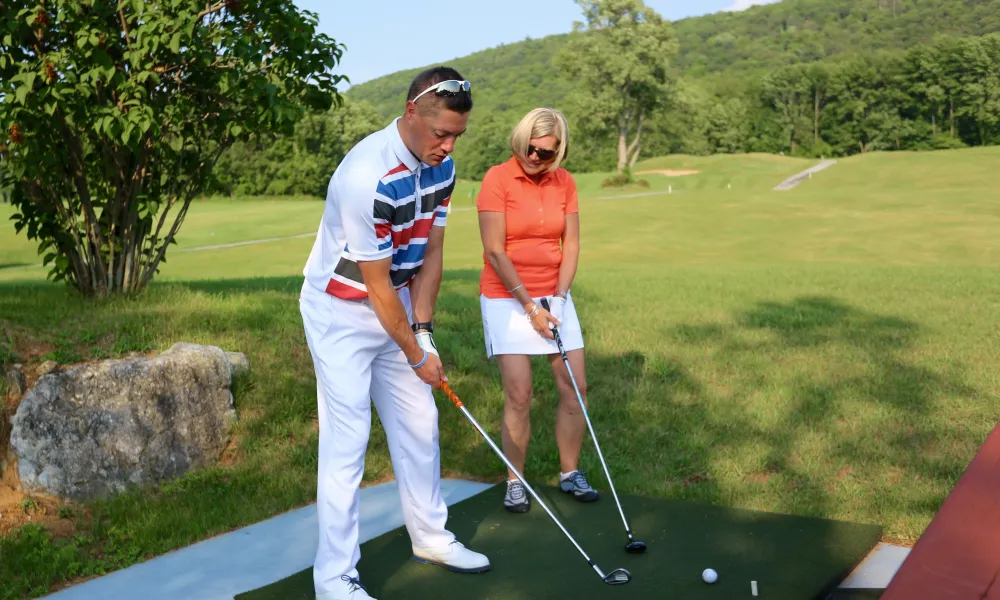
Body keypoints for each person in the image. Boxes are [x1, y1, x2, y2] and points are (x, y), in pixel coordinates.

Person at [299, 67, 490, 600]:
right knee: (348, 441)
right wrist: (415, 352)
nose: (448, 146)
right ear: (411, 113)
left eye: (457, 136)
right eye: (440, 134)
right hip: (341, 311)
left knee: (420, 422)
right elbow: (376, 286)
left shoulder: (442, 169)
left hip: (397, 304)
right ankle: (334, 578)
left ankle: (430, 537)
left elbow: (431, 252)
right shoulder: (366, 176)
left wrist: (423, 333)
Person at [475, 108, 596, 514]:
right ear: (520, 139)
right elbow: (495, 249)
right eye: (531, 148)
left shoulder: (565, 183)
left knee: (574, 387)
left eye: (546, 153)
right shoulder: (497, 179)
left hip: (554, 295)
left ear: (558, 153)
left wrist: (558, 298)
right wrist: (530, 306)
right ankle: (515, 481)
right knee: (520, 393)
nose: (536, 158)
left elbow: (572, 245)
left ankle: (570, 472)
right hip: (507, 298)